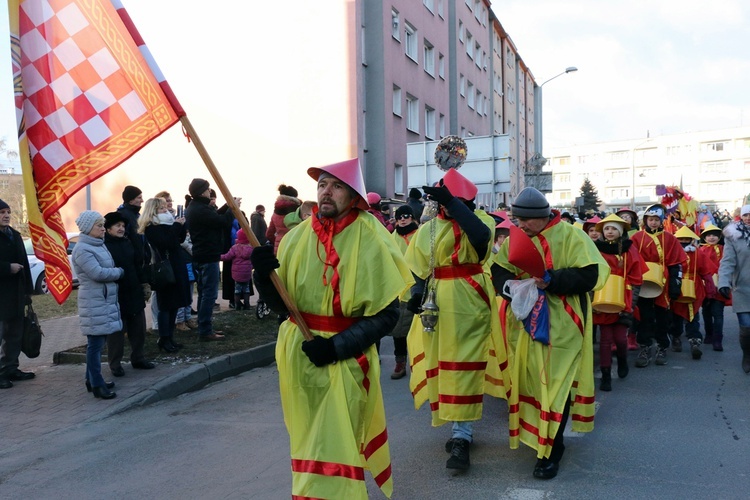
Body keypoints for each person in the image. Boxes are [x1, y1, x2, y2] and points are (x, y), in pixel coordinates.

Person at [250, 158, 412, 498]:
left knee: (338, 445)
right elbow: (285, 306)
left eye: (336, 186)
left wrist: (337, 347)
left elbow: (386, 315)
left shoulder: (373, 239)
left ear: (353, 195)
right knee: (307, 440)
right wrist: (263, 277)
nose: (326, 192)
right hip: (299, 355)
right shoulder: (295, 238)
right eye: (322, 184)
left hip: (346, 361)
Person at [492, 187, 609, 480]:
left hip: (564, 324)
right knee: (532, 383)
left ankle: (552, 450)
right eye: (516, 219)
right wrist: (512, 289)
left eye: (524, 220)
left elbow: (591, 275)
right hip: (525, 323)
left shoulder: (573, 236)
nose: (519, 226)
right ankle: (537, 438)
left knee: (555, 386)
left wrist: (552, 279)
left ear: (541, 217)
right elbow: (498, 270)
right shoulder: (518, 237)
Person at [405, 168, 509, 471]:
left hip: (470, 300)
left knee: (462, 367)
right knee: (442, 365)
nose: (446, 207)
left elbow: (480, 239)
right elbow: (420, 267)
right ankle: (456, 427)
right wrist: (417, 292)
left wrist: (454, 204)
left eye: (454, 202)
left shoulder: (482, 223)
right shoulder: (428, 229)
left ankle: (461, 435)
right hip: (436, 305)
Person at [72, 211, 123, 399]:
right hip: (93, 301)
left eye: (103, 225)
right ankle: (97, 385)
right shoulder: (83, 249)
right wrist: (118, 272)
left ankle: (91, 380)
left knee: (97, 343)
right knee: (95, 344)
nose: (103, 229)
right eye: (99, 226)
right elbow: (98, 273)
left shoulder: (98, 245)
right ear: (87, 228)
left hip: (103, 300)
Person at [591, 214, 644, 391]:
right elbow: (590, 275)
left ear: (620, 231)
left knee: (621, 339)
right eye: (607, 228)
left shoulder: (629, 250)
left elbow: (637, 279)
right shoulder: (595, 249)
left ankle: (622, 360)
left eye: (613, 228)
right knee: (605, 340)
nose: (610, 231)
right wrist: (592, 300)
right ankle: (606, 375)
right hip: (602, 299)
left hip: (623, 299)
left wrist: (631, 303)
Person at [631, 204, 687, 366]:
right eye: (651, 219)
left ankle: (662, 346)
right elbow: (631, 260)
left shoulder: (669, 238)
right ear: (645, 220)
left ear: (661, 221)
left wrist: (676, 284)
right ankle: (645, 346)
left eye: (656, 220)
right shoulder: (636, 238)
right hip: (643, 281)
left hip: (663, 282)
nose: (653, 222)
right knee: (644, 316)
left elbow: (676, 264)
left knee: (663, 316)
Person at [185, 178, 238, 341]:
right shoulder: (200, 209)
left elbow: (214, 216)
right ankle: (205, 330)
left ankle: (204, 327)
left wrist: (227, 206)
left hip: (202, 255)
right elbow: (221, 221)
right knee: (209, 294)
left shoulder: (196, 207)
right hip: (208, 256)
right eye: (208, 189)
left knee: (203, 293)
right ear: (202, 192)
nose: (210, 192)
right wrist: (232, 209)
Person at [103, 211, 155, 377]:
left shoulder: (127, 243)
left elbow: (136, 265)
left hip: (133, 290)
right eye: (117, 226)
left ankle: (138, 358)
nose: (121, 229)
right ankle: (115, 364)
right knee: (117, 332)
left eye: (123, 226)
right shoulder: (104, 247)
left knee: (138, 328)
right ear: (108, 228)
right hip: (116, 293)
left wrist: (144, 283)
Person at [140, 198, 191, 352]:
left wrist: (182, 225)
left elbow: (179, 240)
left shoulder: (168, 224)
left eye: (165, 207)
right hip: (165, 270)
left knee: (174, 304)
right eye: (161, 208)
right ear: (153, 211)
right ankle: (163, 338)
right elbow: (166, 243)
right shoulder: (151, 227)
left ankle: (170, 337)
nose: (166, 210)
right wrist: (176, 226)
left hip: (176, 267)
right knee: (166, 306)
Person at [0, 198, 34, 389]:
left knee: (14, 334)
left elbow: (25, 265)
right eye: (1, 212)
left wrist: (28, 291)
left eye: (8, 212)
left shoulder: (15, 235)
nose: (6, 216)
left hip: (16, 294)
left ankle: (10, 368)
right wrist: (7, 268)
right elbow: (12, 266)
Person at [668, 226, 717, 360]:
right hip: (676, 285)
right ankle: (676, 336)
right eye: (681, 239)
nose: (683, 241)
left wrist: (710, 287)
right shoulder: (672, 253)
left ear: (691, 240)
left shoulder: (698, 253)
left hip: (694, 286)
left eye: (686, 239)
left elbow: (706, 271)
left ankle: (694, 340)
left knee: (693, 314)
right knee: (676, 315)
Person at [718, 204, 750, 373]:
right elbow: (727, 262)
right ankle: (747, 354)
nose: (748, 218)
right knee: (746, 327)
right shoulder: (734, 237)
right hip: (743, 289)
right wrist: (723, 282)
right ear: (741, 217)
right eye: (746, 215)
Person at [389, 204, 419, 380]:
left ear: (412, 217)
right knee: (399, 332)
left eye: (406, 215)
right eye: (400, 216)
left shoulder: (420, 234)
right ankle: (400, 363)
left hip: (419, 289)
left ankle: (419, 363)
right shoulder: (391, 237)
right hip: (400, 292)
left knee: (420, 332)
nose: (403, 219)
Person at [698, 224, 729, 351]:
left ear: (719, 237)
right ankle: (709, 334)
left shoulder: (725, 249)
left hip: (720, 285)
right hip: (705, 286)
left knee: (718, 313)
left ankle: (718, 339)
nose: (711, 238)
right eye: (708, 235)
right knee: (706, 312)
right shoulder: (700, 250)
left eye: (714, 235)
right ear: (704, 237)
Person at [220, 229, 254, 311]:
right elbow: (253, 259)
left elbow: (227, 257)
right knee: (246, 289)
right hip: (246, 273)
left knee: (237, 289)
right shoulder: (251, 249)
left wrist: (219, 256)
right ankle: (247, 304)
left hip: (237, 274)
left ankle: (237, 304)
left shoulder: (235, 248)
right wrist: (251, 267)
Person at [266, 184, 301, 254]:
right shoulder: (299, 210)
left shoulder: (275, 214)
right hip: (295, 246)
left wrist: (277, 241)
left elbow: (269, 234)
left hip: (279, 248)